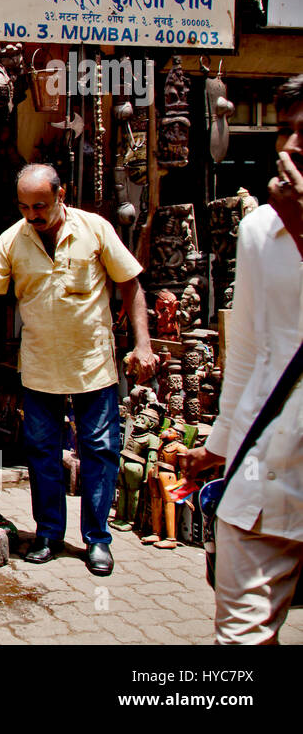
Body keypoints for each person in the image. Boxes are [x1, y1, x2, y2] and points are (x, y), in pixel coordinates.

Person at [0, 163, 158, 576]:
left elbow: (131, 284)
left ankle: (97, 540)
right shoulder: (13, 241)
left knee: (100, 453)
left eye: (41, 206)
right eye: (26, 207)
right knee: (43, 454)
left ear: (60, 194)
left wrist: (143, 344)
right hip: (41, 367)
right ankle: (48, 534)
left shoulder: (96, 229)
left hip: (93, 365)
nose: (34, 215)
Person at [181, 74, 303, 644]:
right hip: (263, 469)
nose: (292, 145)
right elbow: (250, 349)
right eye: (285, 129)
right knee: (242, 639)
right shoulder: (259, 231)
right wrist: (222, 441)